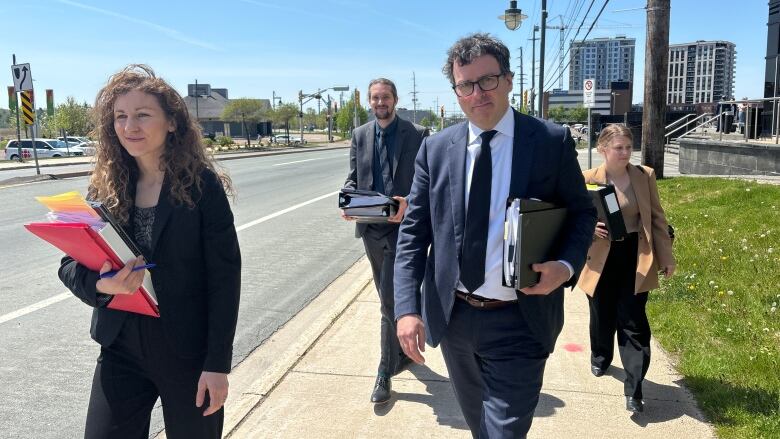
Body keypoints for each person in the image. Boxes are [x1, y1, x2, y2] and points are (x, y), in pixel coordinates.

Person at [393, 33, 596, 437]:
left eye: (487, 80)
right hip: (454, 319)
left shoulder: (549, 142)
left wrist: (566, 266)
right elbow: (413, 235)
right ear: (456, 91)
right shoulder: (435, 149)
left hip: (520, 319)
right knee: (479, 428)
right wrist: (405, 308)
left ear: (508, 80)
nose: (477, 93)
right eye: (465, 85)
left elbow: (581, 214)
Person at [58, 64, 241, 439]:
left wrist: (217, 364)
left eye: (143, 115)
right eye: (121, 117)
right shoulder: (103, 186)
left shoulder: (201, 186)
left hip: (187, 352)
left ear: (172, 123)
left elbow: (225, 278)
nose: (130, 127)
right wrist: (103, 286)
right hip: (120, 346)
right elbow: (68, 265)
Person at [575, 124, 675, 414]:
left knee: (633, 322)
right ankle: (601, 353)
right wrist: (589, 227)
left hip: (636, 255)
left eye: (628, 147)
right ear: (602, 149)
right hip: (601, 257)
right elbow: (573, 217)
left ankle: (635, 389)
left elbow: (657, 218)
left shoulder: (644, 176)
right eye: (618, 148)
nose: (625, 153)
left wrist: (666, 257)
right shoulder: (587, 179)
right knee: (601, 313)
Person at [342, 78, 429, 404]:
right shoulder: (360, 135)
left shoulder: (417, 135)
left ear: (395, 99)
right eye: (375, 98)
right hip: (371, 229)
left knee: (388, 302)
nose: (380, 103)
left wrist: (407, 200)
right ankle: (402, 355)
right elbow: (354, 178)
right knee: (386, 295)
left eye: (385, 97)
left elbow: (426, 183)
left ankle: (384, 372)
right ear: (370, 101)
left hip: (403, 230)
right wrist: (348, 200)